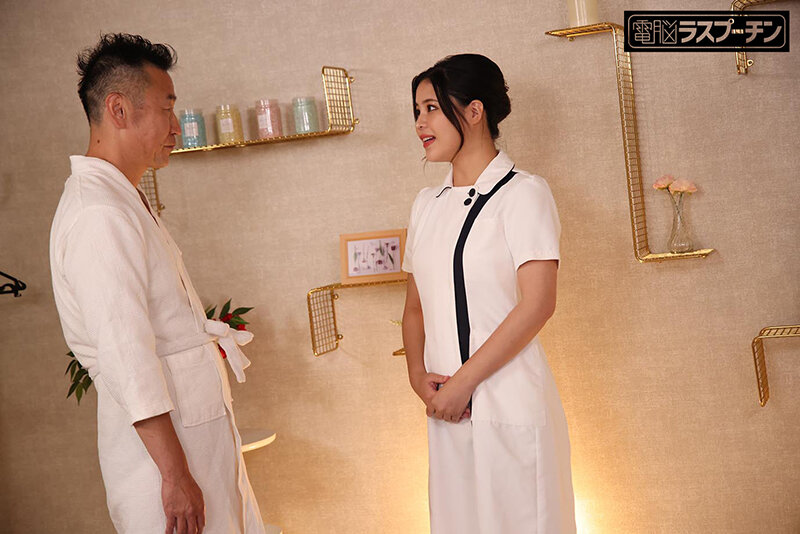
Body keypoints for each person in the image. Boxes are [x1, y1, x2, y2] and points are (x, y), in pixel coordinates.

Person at [49, 34, 266, 534]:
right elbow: (126, 354)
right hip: (163, 466)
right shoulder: (98, 213)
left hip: (194, 445)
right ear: (119, 109)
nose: (176, 126)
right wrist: (174, 475)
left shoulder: (123, 198)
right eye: (167, 109)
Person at [402, 54, 576, 533]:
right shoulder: (425, 206)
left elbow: (538, 304)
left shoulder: (524, 193)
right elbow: (415, 309)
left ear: (474, 111)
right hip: (446, 411)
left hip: (508, 401)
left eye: (432, 108)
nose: (420, 123)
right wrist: (418, 378)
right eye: (416, 111)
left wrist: (462, 385)